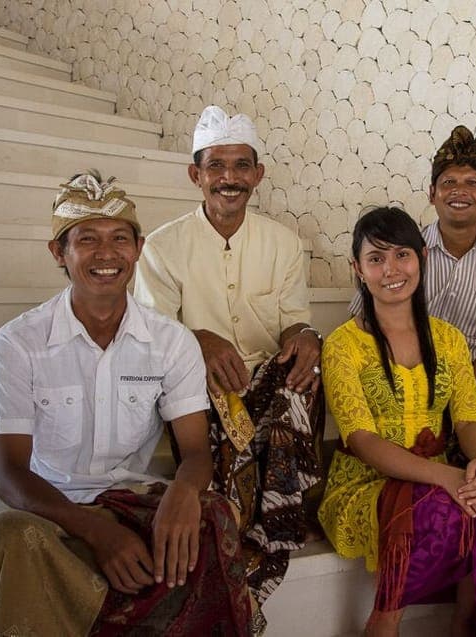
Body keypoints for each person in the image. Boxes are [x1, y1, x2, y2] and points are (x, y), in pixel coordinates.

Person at [0, 171, 251, 636]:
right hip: (54, 513)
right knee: (4, 537)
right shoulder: (19, 343)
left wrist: (182, 493)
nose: (106, 254)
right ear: (58, 252)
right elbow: (10, 474)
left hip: (133, 504)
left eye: (120, 238)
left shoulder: (171, 341)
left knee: (213, 516)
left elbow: (196, 452)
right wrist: (97, 533)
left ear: (138, 249)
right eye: (87, 239)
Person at [134, 105, 324, 615]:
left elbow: (293, 323)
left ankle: (273, 515)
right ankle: (261, 516)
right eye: (216, 166)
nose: (229, 178)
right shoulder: (161, 247)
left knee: (303, 373)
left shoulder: (284, 244)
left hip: (264, 381)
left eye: (241, 166)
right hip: (198, 384)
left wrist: (306, 336)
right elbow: (150, 335)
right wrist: (199, 339)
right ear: (195, 175)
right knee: (221, 396)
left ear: (257, 175)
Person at [320, 206, 476, 637]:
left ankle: (466, 622)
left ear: (422, 258)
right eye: (376, 258)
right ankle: (384, 621)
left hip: (435, 477)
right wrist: (448, 477)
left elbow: (469, 420)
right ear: (358, 269)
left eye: (401, 255)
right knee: (438, 508)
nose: (391, 270)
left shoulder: (448, 338)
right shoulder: (343, 345)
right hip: (366, 483)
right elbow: (362, 440)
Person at [352, 125, 476, 476]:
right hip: (407, 376)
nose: (459, 191)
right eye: (448, 183)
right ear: (432, 193)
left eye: (472, 183)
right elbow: (360, 324)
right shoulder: (402, 254)